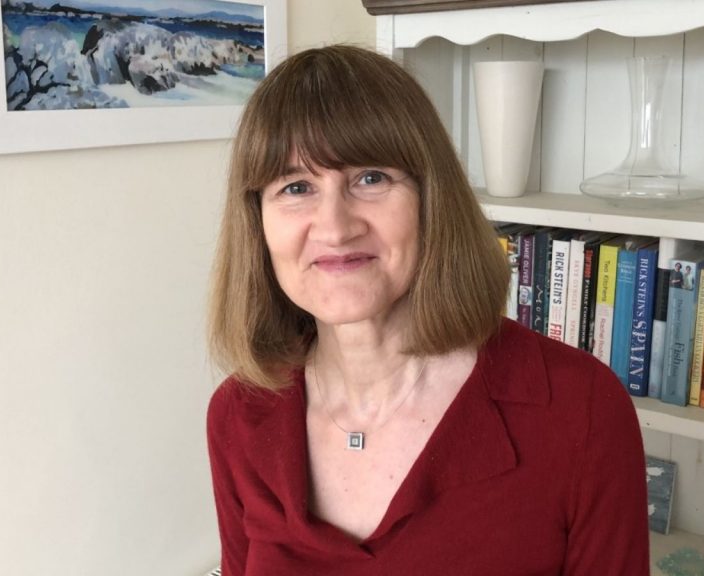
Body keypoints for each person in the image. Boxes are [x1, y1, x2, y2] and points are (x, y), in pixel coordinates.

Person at [206, 45, 648, 575]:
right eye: (296, 187)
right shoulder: (239, 415)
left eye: (370, 177)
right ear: (257, 224)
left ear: (430, 198)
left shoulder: (582, 410)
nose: (336, 226)